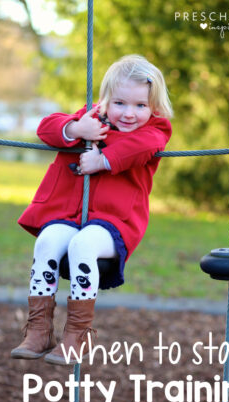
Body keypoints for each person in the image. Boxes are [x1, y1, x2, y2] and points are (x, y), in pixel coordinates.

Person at [11, 54, 173, 365]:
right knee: (47, 240)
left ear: (153, 106)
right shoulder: (90, 118)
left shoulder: (155, 130)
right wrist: (75, 128)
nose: (129, 113)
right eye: (120, 103)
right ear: (105, 101)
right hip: (71, 215)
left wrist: (103, 160)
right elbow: (46, 128)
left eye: (141, 105)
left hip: (115, 223)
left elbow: (142, 146)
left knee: (82, 244)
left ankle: (77, 334)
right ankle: (39, 329)